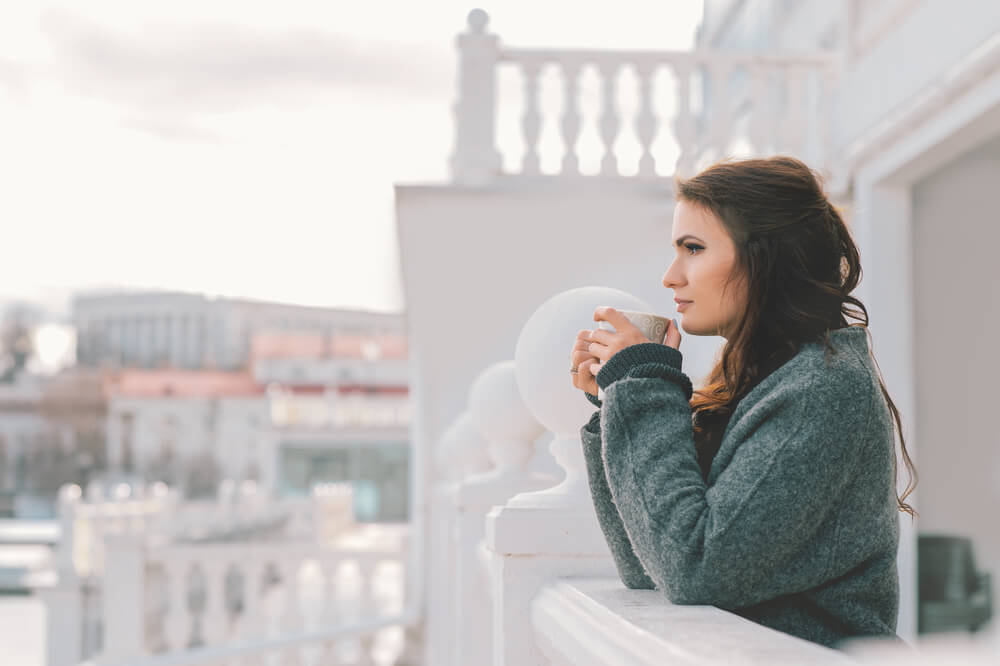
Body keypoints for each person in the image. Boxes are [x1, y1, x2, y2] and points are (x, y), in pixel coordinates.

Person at [568, 156, 918, 650]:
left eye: (693, 248)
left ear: (763, 259)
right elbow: (647, 563)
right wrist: (617, 404)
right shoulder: (761, 378)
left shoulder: (822, 389)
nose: (671, 276)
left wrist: (644, 386)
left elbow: (695, 568)